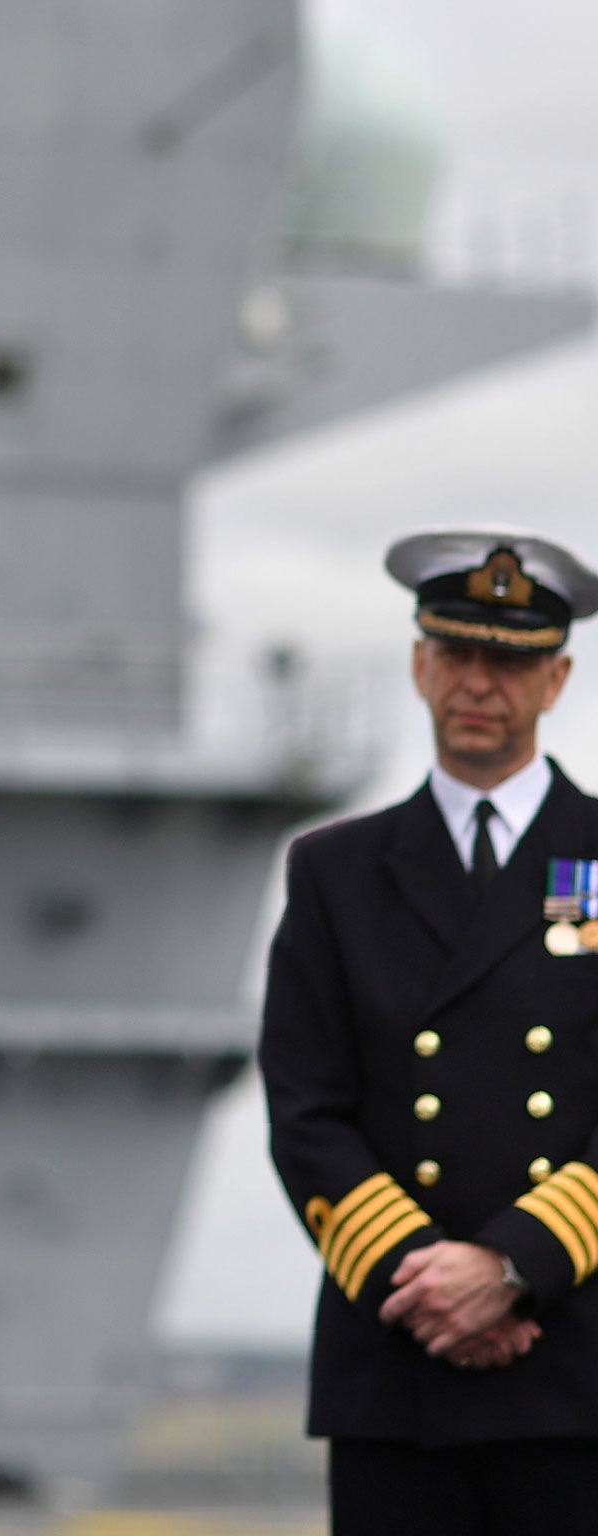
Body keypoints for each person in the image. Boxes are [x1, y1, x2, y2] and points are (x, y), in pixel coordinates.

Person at [260, 527, 598, 1533]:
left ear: (556, 678)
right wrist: (428, 1284)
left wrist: (508, 1269)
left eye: (509, 659)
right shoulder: (334, 872)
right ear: (417, 663)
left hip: (572, 1365)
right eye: (455, 652)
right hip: (396, 1365)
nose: (477, 682)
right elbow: (303, 1106)